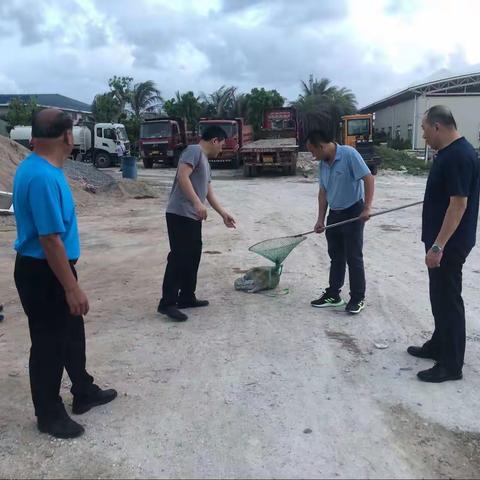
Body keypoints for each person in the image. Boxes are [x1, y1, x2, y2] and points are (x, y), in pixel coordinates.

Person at [13, 109, 117, 439]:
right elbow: (49, 239)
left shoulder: (38, 166)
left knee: (72, 333)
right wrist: (71, 287)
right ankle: (49, 415)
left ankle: (83, 391)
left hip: (49, 268)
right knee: (48, 344)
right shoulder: (42, 176)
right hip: (44, 271)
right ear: (67, 137)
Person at [408, 105, 480, 383]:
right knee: (439, 297)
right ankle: (439, 344)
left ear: (437, 127)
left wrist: (438, 246)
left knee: (448, 300)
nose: (423, 136)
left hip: (450, 243)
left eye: (425, 129)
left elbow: (459, 205)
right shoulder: (450, 154)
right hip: (443, 241)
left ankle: (451, 365)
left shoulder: (459, 156)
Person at [157, 125, 236, 321]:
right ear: (215, 140)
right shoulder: (194, 151)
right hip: (179, 213)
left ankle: (186, 297)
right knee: (179, 256)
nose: (221, 149)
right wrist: (196, 202)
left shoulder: (206, 162)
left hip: (192, 216)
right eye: (222, 144)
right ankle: (167, 303)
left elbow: (208, 191)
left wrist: (223, 213)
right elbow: (182, 176)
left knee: (193, 255)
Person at [306, 129, 375, 314]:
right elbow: (323, 191)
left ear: (321, 146)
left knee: (354, 257)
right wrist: (320, 219)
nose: (313, 156)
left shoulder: (349, 154)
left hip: (353, 212)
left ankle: (357, 298)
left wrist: (367, 208)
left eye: (313, 151)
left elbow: (368, 178)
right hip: (334, 214)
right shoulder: (324, 163)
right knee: (336, 257)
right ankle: (333, 294)